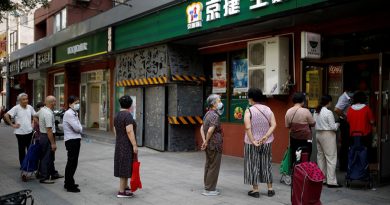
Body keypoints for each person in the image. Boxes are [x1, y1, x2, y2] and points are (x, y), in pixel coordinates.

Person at [243, 88, 277, 198]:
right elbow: (273, 124)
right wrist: (266, 136)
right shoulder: (268, 109)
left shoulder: (249, 110)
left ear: (251, 98)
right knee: (267, 163)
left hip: (252, 143)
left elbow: (248, 127)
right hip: (267, 142)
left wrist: (253, 140)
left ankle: (255, 190)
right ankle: (270, 189)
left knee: (253, 164)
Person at [313, 95, 342, 188]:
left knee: (320, 157)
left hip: (318, 134)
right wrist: (338, 123)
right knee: (331, 158)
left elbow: (314, 123)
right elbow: (333, 127)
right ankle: (331, 181)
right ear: (329, 102)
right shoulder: (328, 112)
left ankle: (322, 179)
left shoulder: (316, 111)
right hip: (328, 135)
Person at [114, 95, 138, 198]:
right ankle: (121, 191)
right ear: (130, 105)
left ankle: (125, 186)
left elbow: (115, 129)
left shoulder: (117, 115)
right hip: (126, 144)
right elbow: (129, 131)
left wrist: (119, 138)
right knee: (125, 165)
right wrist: (134, 145)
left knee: (123, 165)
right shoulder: (128, 116)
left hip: (119, 143)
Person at [200, 94, 224, 196]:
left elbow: (202, 128)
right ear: (213, 104)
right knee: (214, 166)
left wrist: (204, 141)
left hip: (209, 144)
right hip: (215, 144)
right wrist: (206, 141)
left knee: (209, 164)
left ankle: (207, 185)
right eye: (219, 101)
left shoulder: (207, 114)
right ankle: (210, 189)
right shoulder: (215, 115)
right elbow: (210, 130)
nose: (220, 102)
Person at [3, 93, 36, 166]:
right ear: (20, 100)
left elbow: (35, 115)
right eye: (23, 99)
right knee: (22, 150)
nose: (26, 101)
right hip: (20, 133)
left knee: (30, 149)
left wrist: (33, 122)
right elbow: (6, 115)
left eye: (26, 99)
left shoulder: (30, 107)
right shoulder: (16, 108)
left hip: (30, 131)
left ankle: (30, 164)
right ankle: (23, 164)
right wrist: (12, 124)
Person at [285, 92, 316, 167]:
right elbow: (313, 123)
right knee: (305, 156)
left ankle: (295, 174)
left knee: (294, 156)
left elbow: (287, 125)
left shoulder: (288, 111)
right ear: (302, 101)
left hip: (294, 138)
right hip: (305, 139)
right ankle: (304, 173)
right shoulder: (305, 111)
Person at [38, 96, 63, 184]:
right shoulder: (47, 114)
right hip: (47, 136)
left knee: (51, 157)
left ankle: (53, 173)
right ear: (51, 102)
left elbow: (35, 116)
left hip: (44, 135)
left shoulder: (42, 110)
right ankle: (44, 177)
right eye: (55, 101)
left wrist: (40, 125)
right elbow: (49, 130)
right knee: (46, 157)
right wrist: (53, 143)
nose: (55, 103)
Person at [346, 91, 375, 161]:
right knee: (365, 155)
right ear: (364, 99)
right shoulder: (367, 108)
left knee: (353, 154)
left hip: (352, 136)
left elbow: (348, 121)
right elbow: (372, 121)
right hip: (365, 136)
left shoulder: (350, 109)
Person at [63, 96, 82, 192]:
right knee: (72, 162)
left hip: (74, 140)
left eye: (78, 102)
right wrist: (80, 127)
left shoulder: (74, 113)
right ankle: (69, 185)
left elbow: (78, 127)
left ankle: (69, 181)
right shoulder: (69, 114)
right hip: (72, 140)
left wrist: (79, 127)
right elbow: (77, 128)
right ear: (70, 104)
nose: (77, 104)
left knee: (73, 162)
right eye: (75, 103)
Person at [334, 87, 353, 171]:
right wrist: (345, 117)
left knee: (347, 143)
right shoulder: (344, 97)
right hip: (345, 123)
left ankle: (347, 164)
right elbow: (337, 109)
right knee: (345, 144)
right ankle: (343, 166)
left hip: (347, 122)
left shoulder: (348, 97)